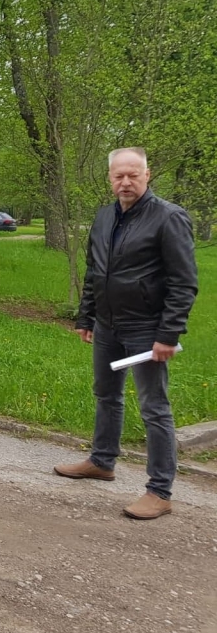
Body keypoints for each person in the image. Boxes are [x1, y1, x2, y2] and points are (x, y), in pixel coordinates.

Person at [54, 148, 198, 520]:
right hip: (107, 324)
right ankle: (102, 461)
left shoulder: (169, 217)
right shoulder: (104, 217)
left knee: (154, 408)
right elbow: (94, 272)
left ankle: (160, 490)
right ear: (110, 178)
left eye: (133, 175)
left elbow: (184, 283)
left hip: (146, 328)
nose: (126, 182)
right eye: (119, 176)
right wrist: (86, 317)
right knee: (106, 394)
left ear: (147, 175)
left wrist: (168, 333)